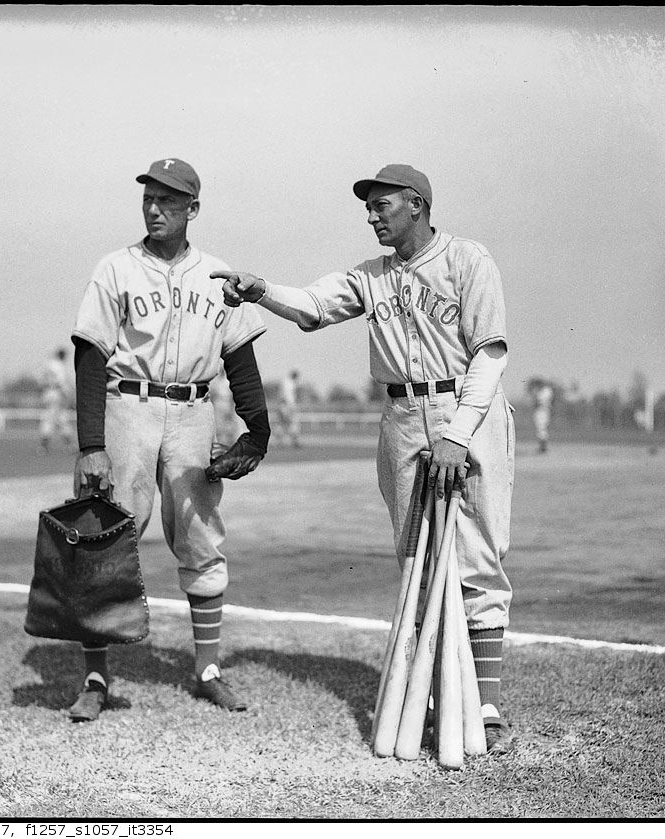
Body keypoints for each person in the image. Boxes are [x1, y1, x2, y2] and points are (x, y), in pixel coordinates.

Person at [214, 164, 515, 754]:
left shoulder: (467, 260)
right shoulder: (371, 276)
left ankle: (485, 705)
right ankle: (434, 693)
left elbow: (490, 353)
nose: (372, 216)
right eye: (369, 208)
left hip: (466, 409)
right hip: (403, 416)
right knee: (416, 557)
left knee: (478, 555)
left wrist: (457, 434)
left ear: (418, 205)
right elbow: (312, 306)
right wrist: (259, 289)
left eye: (383, 206)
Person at [67, 157, 271, 722]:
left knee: (201, 537)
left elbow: (241, 357)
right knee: (105, 540)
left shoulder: (218, 273)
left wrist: (259, 429)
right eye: (149, 199)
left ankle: (207, 669)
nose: (155, 209)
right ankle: (95, 675)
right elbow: (90, 354)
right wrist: (91, 443)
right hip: (125, 408)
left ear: (192, 209)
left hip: (192, 411)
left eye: (169, 201)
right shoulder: (115, 268)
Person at [39, 348, 74, 452]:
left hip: (47, 393)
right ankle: (68, 445)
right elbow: (61, 382)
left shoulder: (48, 364)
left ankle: (44, 446)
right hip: (57, 393)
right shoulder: (59, 366)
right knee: (60, 418)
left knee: (50, 418)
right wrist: (68, 395)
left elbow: (42, 380)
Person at [276, 369, 302, 447]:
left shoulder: (284, 382)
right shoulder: (291, 384)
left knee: (282, 424)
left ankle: (280, 442)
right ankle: (295, 441)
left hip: (281, 406)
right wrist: (291, 407)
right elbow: (288, 397)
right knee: (293, 423)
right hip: (288, 406)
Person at [529, 378, 554, 454]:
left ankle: (543, 447)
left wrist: (536, 397)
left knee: (541, 429)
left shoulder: (546, 391)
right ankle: (542, 447)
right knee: (540, 428)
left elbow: (539, 401)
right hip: (542, 410)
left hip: (543, 410)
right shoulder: (543, 391)